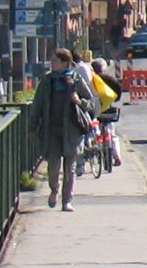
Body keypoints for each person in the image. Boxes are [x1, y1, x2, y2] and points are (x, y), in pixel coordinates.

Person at [26, 48, 99, 212]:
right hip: (51, 129)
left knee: (70, 167)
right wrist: (32, 128)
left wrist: (79, 101)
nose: (51, 64)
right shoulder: (47, 81)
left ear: (65, 63)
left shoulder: (76, 80)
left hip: (71, 131)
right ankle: (54, 190)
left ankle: (67, 200)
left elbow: (91, 103)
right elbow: (37, 105)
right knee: (53, 166)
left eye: (54, 61)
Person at [89, 57, 125, 169]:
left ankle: (96, 148)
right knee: (112, 134)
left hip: (95, 111)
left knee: (94, 132)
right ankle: (117, 156)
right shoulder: (109, 78)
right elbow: (118, 89)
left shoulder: (91, 79)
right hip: (108, 111)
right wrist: (115, 99)